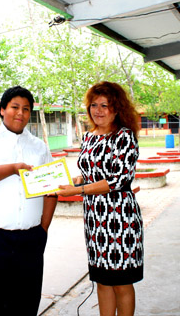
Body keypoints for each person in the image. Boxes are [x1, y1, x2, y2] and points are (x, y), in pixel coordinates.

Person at [0, 86, 58, 316]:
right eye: (15, 107)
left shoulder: (39, 147)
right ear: (2, 110)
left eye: (26, 109)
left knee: (25, 303)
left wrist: (42, 228)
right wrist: (12, 169)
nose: (20, 113)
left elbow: (51, 190)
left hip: (30, 238)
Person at [57, 81, 143, 316]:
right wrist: (71, 181)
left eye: (105, 105)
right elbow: (89, 173)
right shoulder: (89, 137)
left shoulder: (124, 137)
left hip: (120, 219)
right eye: (94, 105)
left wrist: (78, 191)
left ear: (117, 108)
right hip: (95, 219)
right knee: (103, 280)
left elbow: (118, 180)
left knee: (122, 282)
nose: (98, 110)